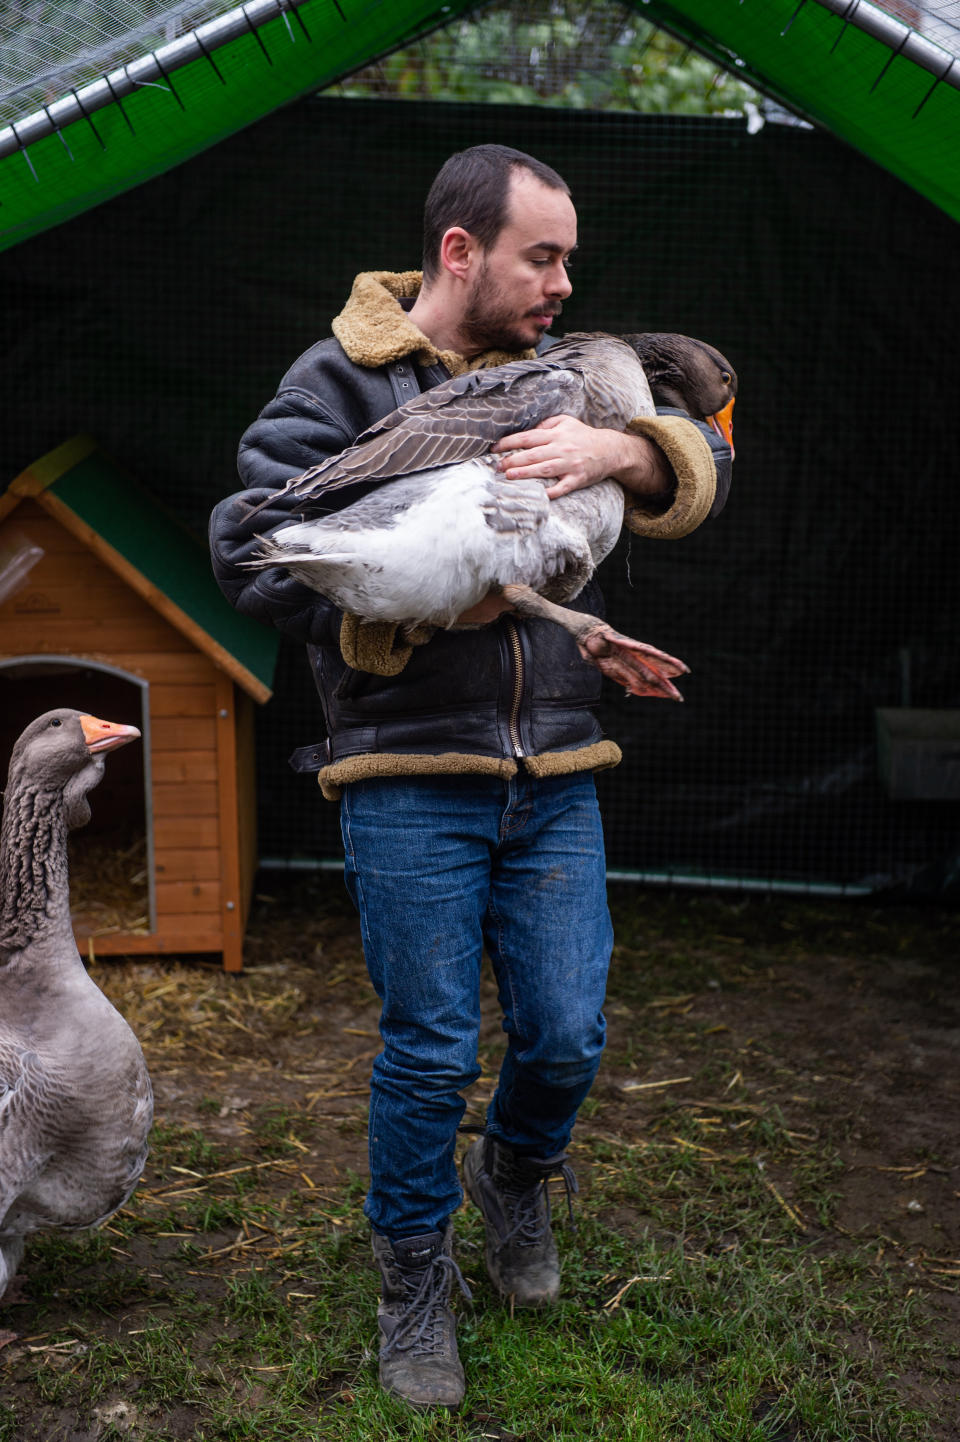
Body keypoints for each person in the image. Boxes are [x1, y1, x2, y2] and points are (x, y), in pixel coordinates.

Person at [209, 143, 732, 1410]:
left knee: (567, 1033)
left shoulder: (573, 382)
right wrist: (398, 621)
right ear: (461, 252)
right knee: (432, 1047)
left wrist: (622, 457)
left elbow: (705, 463)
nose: (561, 281)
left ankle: (514, 1175)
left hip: (553, 766)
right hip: (406, 773)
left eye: (567, 258)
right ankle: (413, 1280)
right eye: (540, 257)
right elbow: (249, 541)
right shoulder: (339, 376)